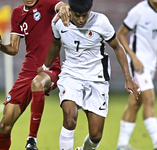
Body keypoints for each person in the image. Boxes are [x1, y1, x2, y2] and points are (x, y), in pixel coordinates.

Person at [38, 0, 140, 149]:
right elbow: (55, 43)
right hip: (71, 75)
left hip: (97, 78)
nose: (81, 20)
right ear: (70, 10)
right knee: (70, 118)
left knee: (95, 136)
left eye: (84, 15)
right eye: (77, 15)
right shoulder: (59, 22)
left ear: (90, 11)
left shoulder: (101, 22)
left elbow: (117, 48)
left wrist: (128, 78)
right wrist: (45, 66)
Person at [0, 0, 70, 150]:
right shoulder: (17, 13)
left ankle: (31, 140)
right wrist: (0, 46)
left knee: (38, 83)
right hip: (28, 70)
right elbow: (14, 48)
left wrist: (65, 8)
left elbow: (61, 5)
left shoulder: (46, 4)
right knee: (4, 125)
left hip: (50, 67)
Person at [116, 0, 157, 150]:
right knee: (149, 100)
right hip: (138, 64)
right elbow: (120, 35)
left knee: (134, 104)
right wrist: (133, 57)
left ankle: (121, 145)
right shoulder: (139, 11)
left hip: (151, 64)